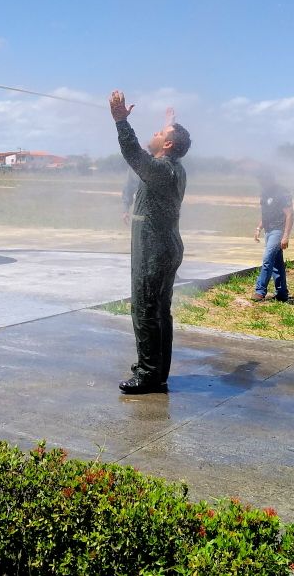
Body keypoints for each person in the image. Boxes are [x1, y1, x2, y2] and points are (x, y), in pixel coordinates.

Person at [109, 90, 191, 394]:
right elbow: (150, 153)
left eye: (159, 132)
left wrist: (121, 122)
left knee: (145, 308)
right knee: (158, 311)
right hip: (160, 246)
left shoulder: (162, 170)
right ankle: (155, 370)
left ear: (168, 144)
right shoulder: (169, 168)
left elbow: (134, 154)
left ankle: (149, 375)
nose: (154, 134)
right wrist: (169, 122)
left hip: (155, 249)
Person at [252, 170, 294, 302]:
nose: (261, 183)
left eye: (263, 180)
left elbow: (289, 215)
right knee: (277, 263)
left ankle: (260, 291)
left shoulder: (282, 193)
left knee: (267, 259)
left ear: (270, 179)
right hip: (268, 231)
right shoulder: (264, 194)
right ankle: (282, 293)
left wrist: (285, 236)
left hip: (278, 231)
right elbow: (266, 214)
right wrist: (259, 228)